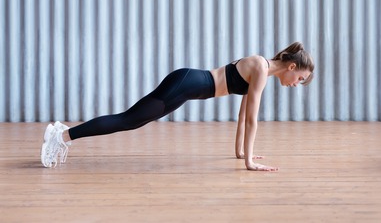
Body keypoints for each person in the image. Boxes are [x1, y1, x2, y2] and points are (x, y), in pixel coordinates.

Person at [40, 42, 314, 171]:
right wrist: (250, 163)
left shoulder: (261, 70)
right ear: (291, 67)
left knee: (131, 120)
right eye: (299, 79)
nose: (295, 84)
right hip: (185, 84)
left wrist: (242, 153)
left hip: (185, 85)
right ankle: (61, 136)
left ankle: (63, 134)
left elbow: (243, 114)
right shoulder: (260, 66)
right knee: (128, 120)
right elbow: (253, 119)